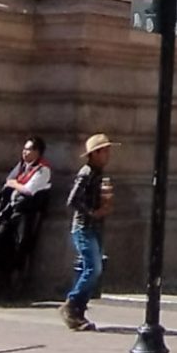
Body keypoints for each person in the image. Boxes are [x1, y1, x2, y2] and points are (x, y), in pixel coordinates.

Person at [0, 136, 52, 297]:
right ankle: (2, 278)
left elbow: (29, 190)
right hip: (11, 211)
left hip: (27, 213)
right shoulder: (21, 166)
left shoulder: (42, 170)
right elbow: (8, 180)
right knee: (0, 239)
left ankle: (16, 284)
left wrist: (14, 184)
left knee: (21, 245)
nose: (25, 152)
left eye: (29, 149)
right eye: (24, 149)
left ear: (38, 152)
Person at [62, 133, 113, 330]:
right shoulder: (86, 172)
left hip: (96, 226)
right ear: (95, 154)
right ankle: (72, 304)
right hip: (84, 226)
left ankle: (78, 312)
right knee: (94, 268)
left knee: (91, 268)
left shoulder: (99, 173)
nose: (108, 155)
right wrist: (92, 213)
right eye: (104, 151)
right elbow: (73, 199)